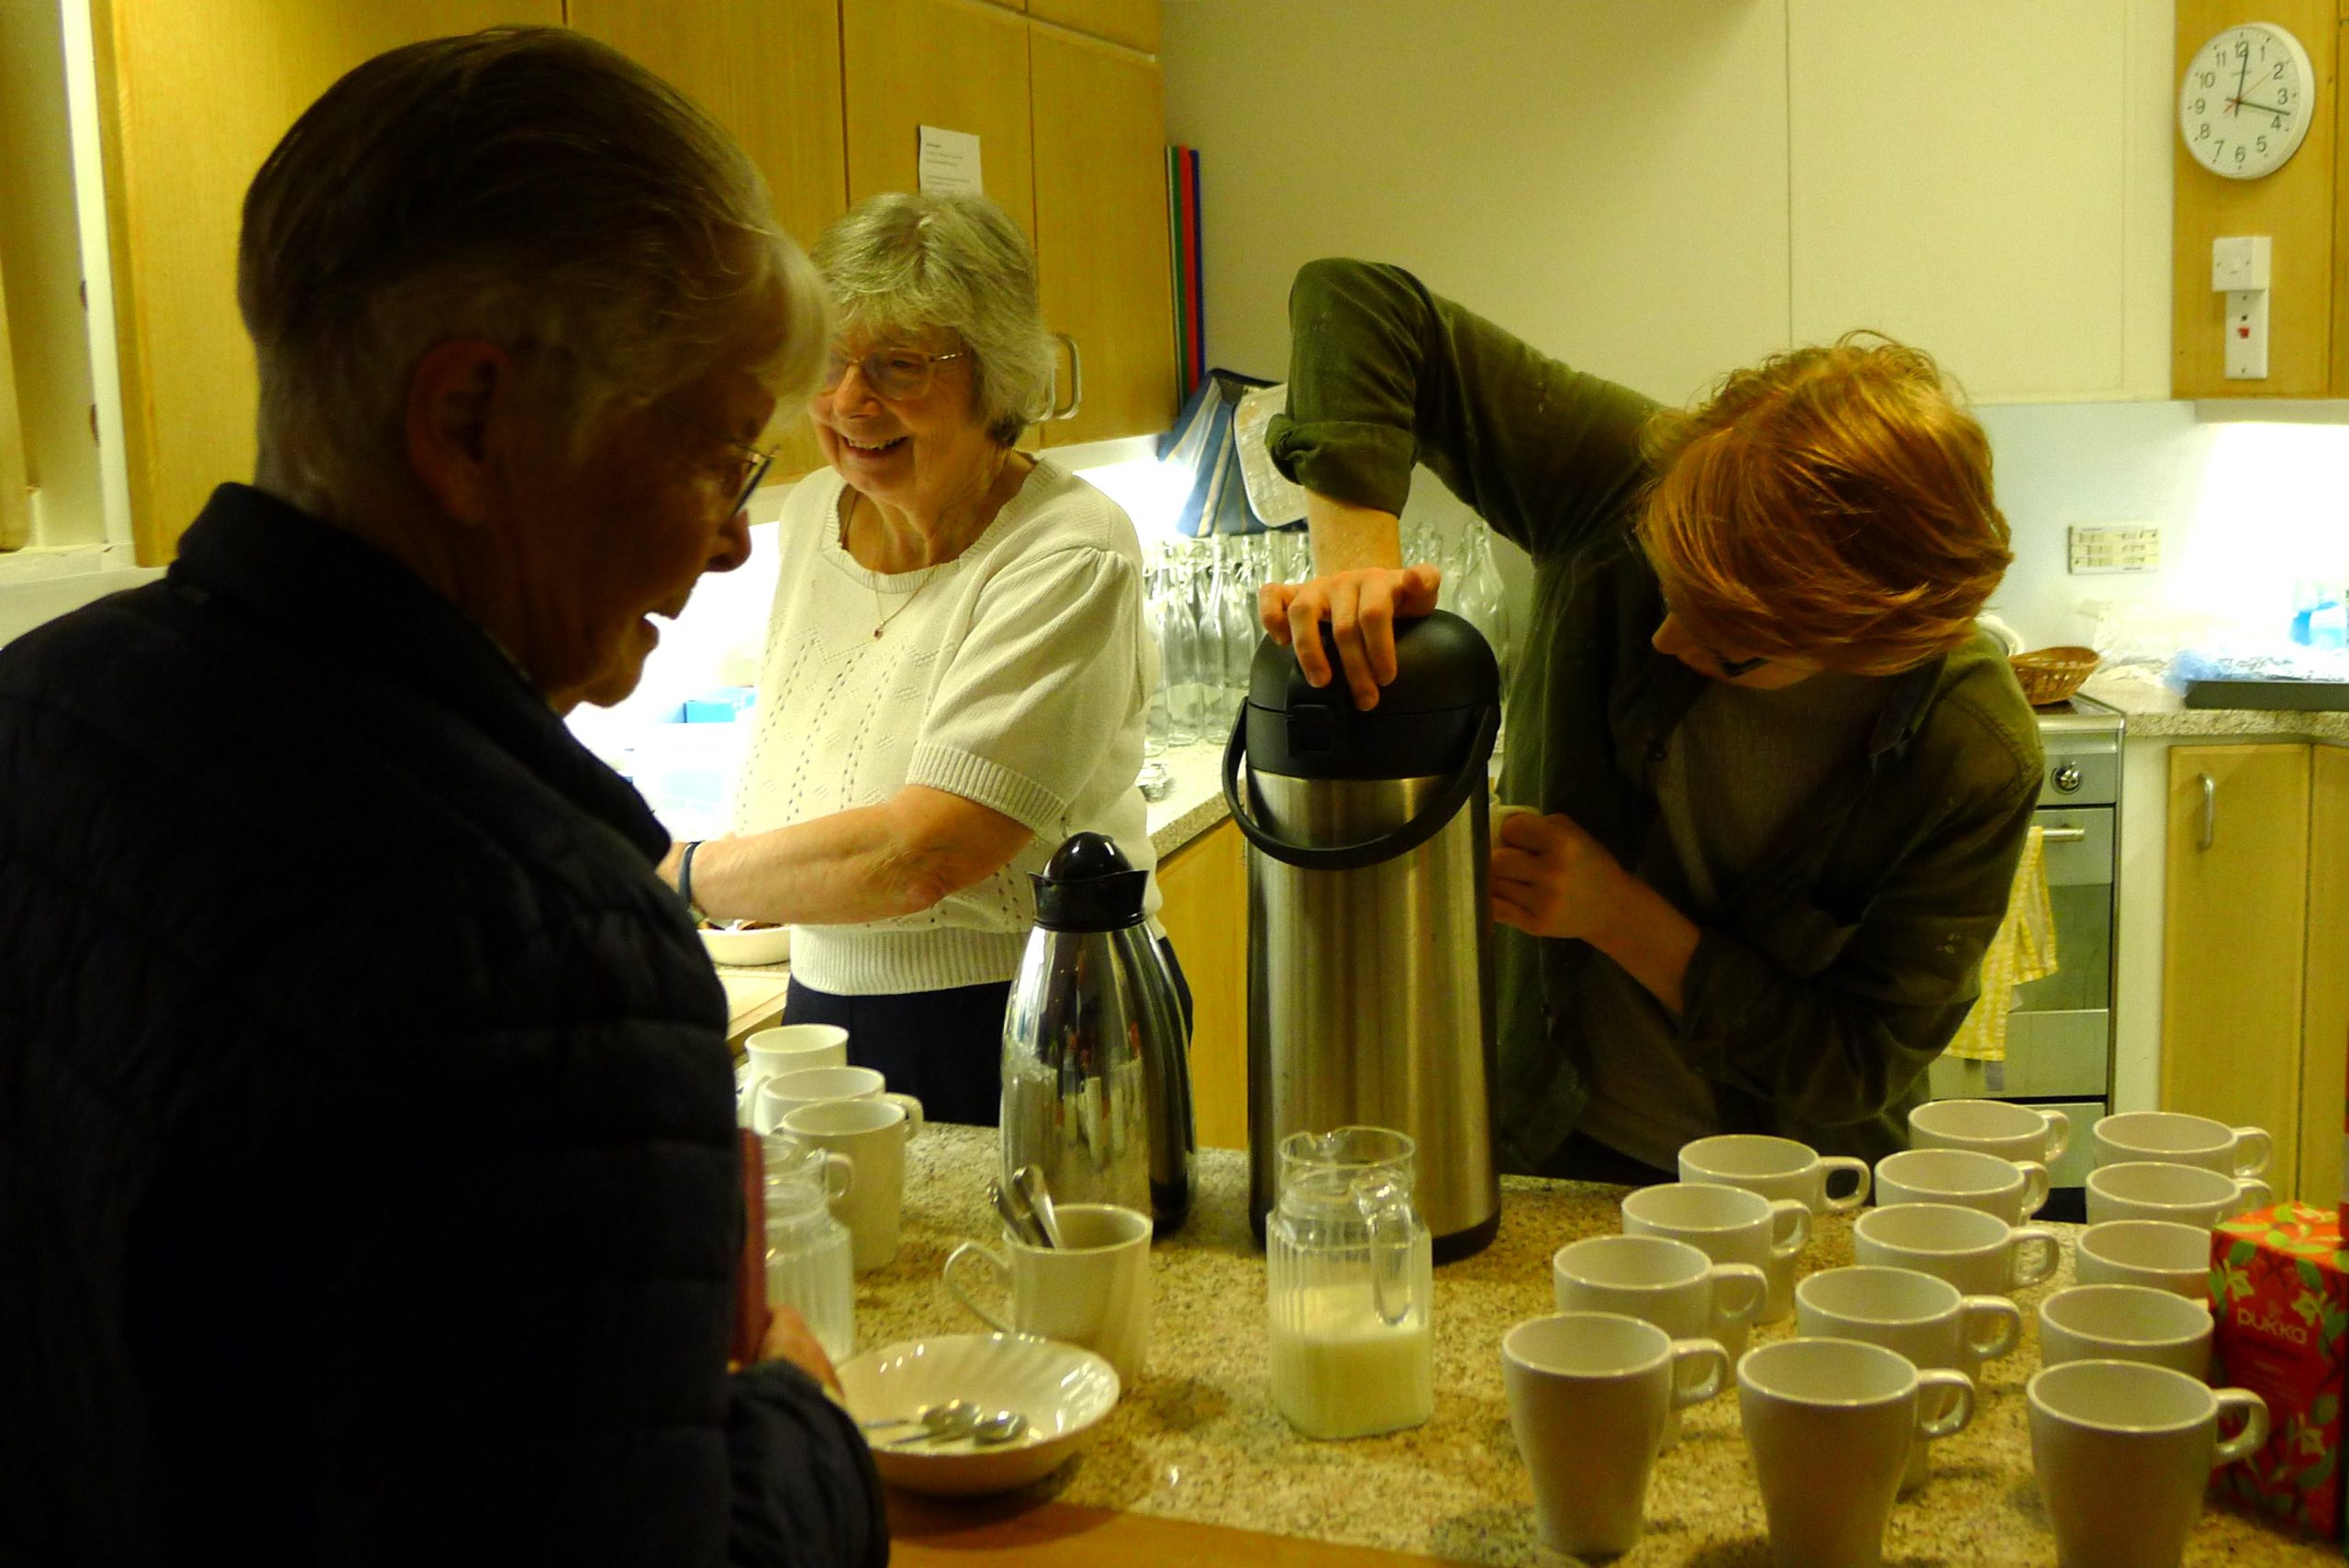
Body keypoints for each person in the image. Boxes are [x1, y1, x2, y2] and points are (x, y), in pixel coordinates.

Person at [0, 28, 885, 1565]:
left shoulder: (36, 711)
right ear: (470, 420)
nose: (734, 537)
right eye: (715, 453)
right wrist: (804, 1435)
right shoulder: (541, 956)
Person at [1259, 258, 2043, 1184]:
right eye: (1669, 588)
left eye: (1729, 644)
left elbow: (1853, 1062)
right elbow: (1358, 302)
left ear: (1867, 644)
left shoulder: (1972, 751)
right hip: (1550, 1144)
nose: (1666, 638)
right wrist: (1358, 566)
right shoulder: (1634, 485)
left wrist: (1614, 914)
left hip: (1785, 1185)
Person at [672, 193, 1176, 1128]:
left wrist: (681, 874)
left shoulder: (1069, 547)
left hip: (1029, 1010)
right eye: (830, 360)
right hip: (823, 996)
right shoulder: (812, 513)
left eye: (898, 366)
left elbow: (927, 854)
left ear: (995, 378)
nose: (849, 401)